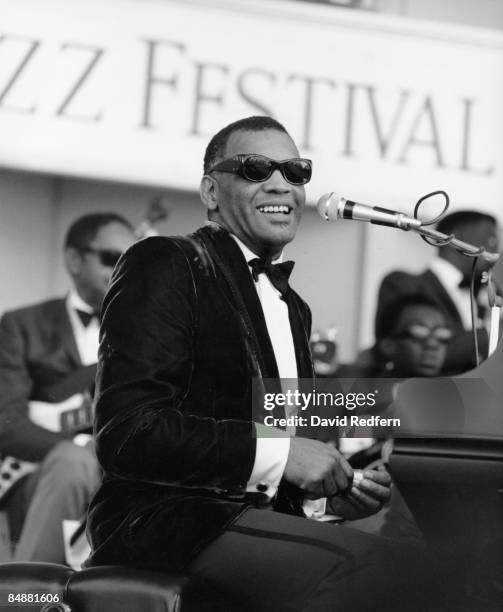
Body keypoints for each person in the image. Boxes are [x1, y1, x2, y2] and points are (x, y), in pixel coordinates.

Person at [86, 116, 428, 611]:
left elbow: (282, 455)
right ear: (210, 191)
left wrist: (327, 491)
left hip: (255, 524)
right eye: (254, 168)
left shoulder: (294, 308)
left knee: (426, 562)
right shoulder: (166, 261)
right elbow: (130, 432)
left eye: (295, 171)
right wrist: (283, 454)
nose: (280, 184)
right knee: (381, 573)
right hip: (168, 520)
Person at [0, 213, 135, 563]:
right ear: (74, 260)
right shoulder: (21, 325)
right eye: (111, 258)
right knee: (73, 463)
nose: (122, 267)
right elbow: (7, 424)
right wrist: (81, 449)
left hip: (120, 479)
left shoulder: (148, 334)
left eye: (130, 258)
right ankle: (23, 599)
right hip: (39, 473)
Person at [375, 211, 499, 375]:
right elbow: (411, 352)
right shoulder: (403, 283)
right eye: (491, 240)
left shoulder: (485, 291)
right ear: (457, 237)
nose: (497, 251)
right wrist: (493, 331)